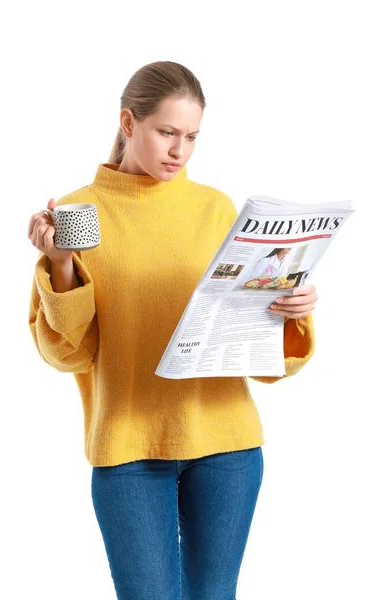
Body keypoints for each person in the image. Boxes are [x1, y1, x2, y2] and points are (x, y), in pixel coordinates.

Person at [27, 61, 318, 600]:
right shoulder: (79, 212)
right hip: (128, 449)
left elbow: (258, 354)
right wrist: (61, 265)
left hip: (227, 443)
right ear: (128, 122)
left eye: (191, 137)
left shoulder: (215, 209)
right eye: (166, 132)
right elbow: (68, 354)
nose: (178, 151)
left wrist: (292, 308)